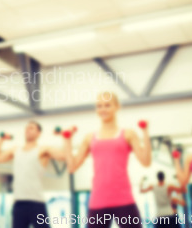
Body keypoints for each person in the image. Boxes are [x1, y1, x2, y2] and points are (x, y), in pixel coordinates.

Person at [65, 92, 151, 228]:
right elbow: (72, 167)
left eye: (107, 105)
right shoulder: (89, 137)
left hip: (124, 198)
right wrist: (67, 142)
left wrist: (145, 133)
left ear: (117, 107)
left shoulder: (128, 134)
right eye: (99, 106)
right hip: (98, 200)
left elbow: (146, 161)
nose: (103, 109)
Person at [0, 120, 67, 228]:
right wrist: (0, 140)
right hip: (19, 203)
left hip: (37, 203)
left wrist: (64, 136)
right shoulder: (16, 150)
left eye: (31, 128)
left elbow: (64, 156)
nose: (27, 130)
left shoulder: (43, 150)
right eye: (26, 128)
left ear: (39, 133)